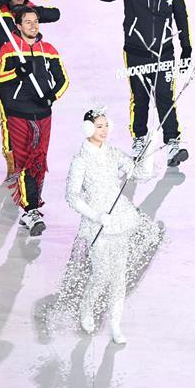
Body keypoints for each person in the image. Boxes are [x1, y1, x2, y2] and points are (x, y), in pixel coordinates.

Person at [39, 107, 164, 344]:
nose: (104, 130)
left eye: (106, 125)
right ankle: (87, 308)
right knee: (101, 274)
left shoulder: (113, 154)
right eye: (99, 126)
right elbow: (72, 197)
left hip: (119, 220)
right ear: (88, 129)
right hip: (97, 224)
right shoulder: (80, 161)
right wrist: (96, 216)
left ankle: (116, 324)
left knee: (118, 276)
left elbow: (141, 172)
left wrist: (151, 145)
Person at [98, 0, 191, 166]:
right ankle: (139, 139)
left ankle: (172, 145)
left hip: (164, 53)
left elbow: (182, 19)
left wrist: (186, 48)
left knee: (164, 98)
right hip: (135, 52)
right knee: (140, 98)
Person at [0, 6, 68, 236]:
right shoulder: (8, 49)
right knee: (25, 160)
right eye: (27, 22)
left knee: (39, 161)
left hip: (43, 113)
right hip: (18, 113)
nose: (33, 25)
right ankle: (31, 209)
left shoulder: (49, 50)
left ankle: (32, 205)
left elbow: (63, 79)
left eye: (35, 21)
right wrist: (18, 70)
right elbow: (1, 76)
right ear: (18, 25)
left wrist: (52, 97)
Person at [0, 0, 60, 176]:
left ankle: (31, 158)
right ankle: (12, 163)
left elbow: (55, 14)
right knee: (8, 118)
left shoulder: (28, 13)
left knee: (31, 117)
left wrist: (30, 10)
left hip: (31, 75)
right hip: (4, 74)